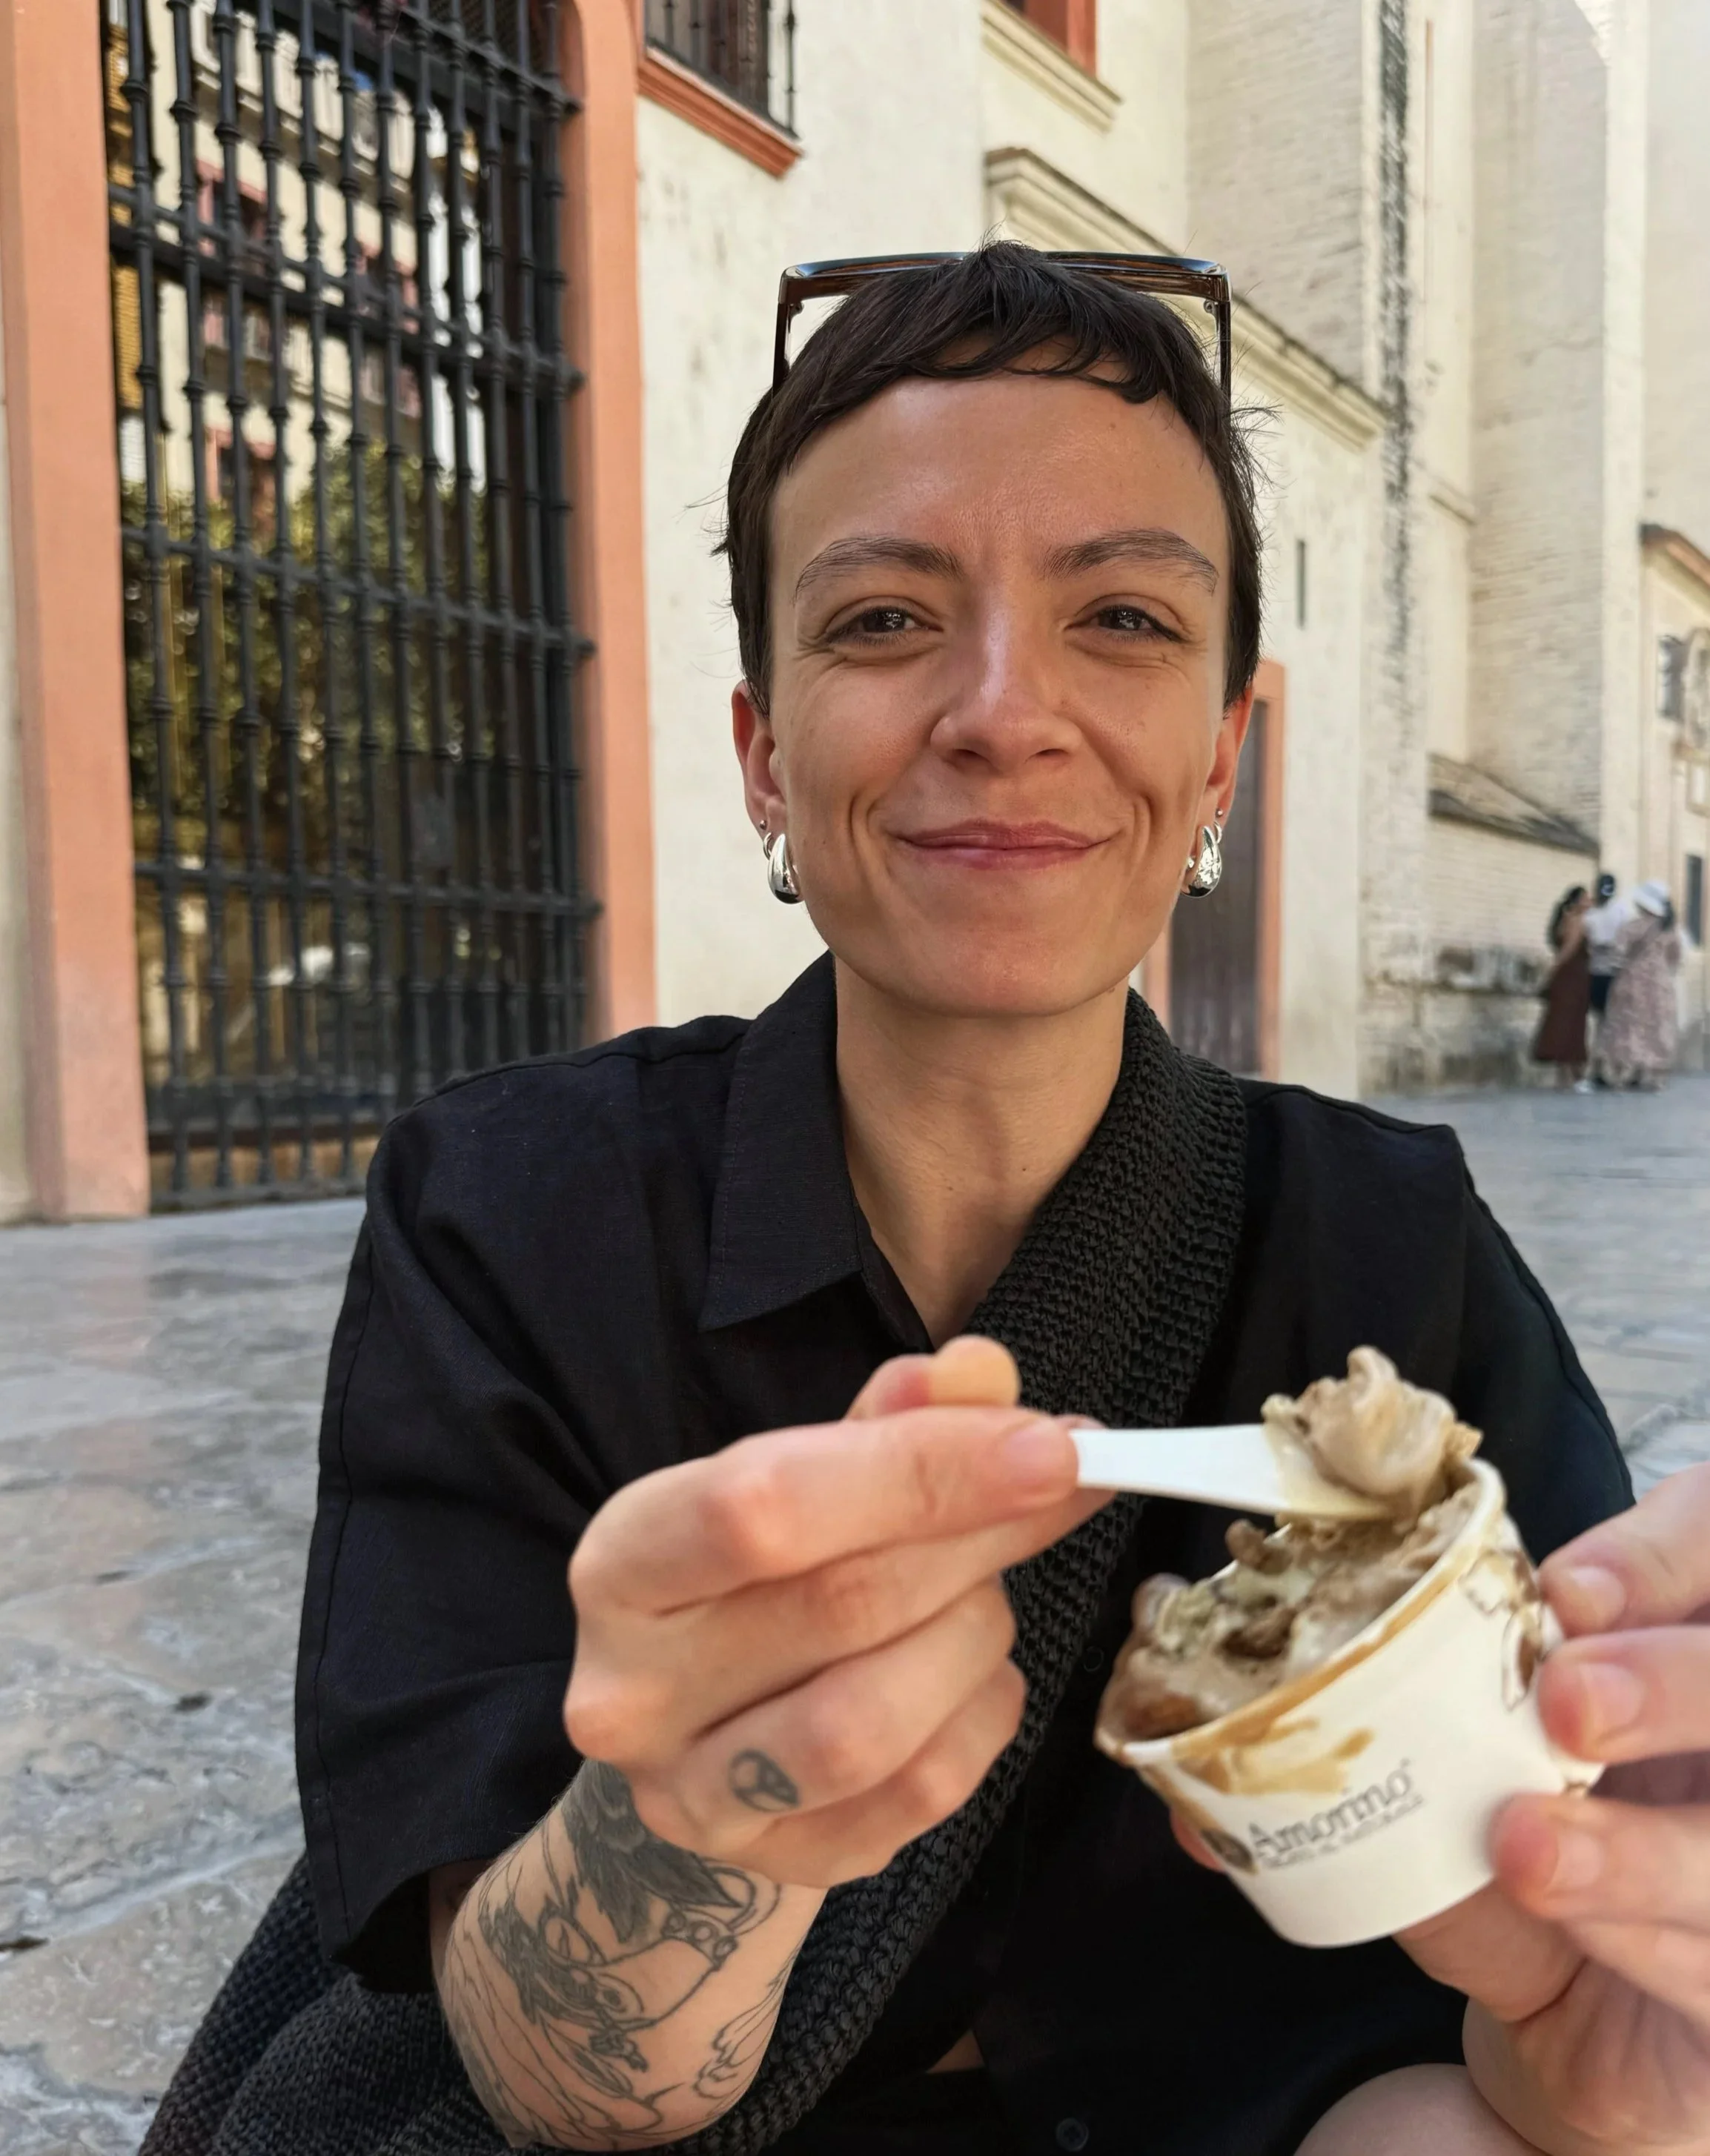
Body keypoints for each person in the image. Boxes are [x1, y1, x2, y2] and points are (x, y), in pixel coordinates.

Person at [147, 248, 1710, 2156]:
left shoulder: (1388, 1237)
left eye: (1120, 615)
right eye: (885, 616)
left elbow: (1556, 1915)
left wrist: (1606, 2013)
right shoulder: (515, 1209)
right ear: (764, 754)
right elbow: (550, 2062)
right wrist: (686, 1822)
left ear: (1217, 754)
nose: (1002, 709)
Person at [1598, 879, 1683, 1090]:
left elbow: (1617, 953)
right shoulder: (1670, 929)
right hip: (1660, 983)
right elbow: (1676, 957)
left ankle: (1625, 1071)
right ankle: (1651, 1074)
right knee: (1655, 1026)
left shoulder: (1632, 926)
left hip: (1632, 981)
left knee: (1628, 1025)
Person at [1531, 884, 1591, 1087]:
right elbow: (1568, 950)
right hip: (1574, 976)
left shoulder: (1564, 918)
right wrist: (1552, 971)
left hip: (1567, 978)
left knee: (1562, 1022)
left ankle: (1563, 1076)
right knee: (1573, 1025)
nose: (1589, 902)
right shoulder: (1576, 921)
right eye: (1585, 899)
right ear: (1577, 901)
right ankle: (1575, 1075)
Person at [1580, 871, 1632, 1087]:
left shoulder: (1593, 914)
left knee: (1604, 1023)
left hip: (1602, 972)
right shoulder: (1621, 912)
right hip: (1608, 972)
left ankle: (1603, 1068)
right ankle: (1608, 1069)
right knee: (1610, 1023)